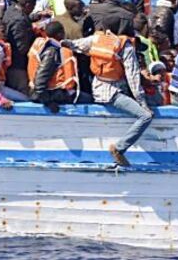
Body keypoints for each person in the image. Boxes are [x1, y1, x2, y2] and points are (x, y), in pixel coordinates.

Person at [64, 31, 153, 167]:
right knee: (145, 116)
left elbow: (75, 45)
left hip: (98, 88)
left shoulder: (97, 39)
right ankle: (119, 148)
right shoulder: (127, 48)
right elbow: (133, 78)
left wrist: (62, 43)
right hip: (112, 93)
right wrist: (142, 103)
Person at [28, 21, 87, 110]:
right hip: (51, 95)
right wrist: (49, 103)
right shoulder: (51, 52)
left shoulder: (42, 44)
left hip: (43, 92)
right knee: (89, 99)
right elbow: (40, 83)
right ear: (60, 34)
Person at [1, 0, 39, 95]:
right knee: (24, 93)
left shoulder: (10, 10)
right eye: (32, 7)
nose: (33, 9)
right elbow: (22, 48)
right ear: (27, 5)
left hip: (9, 63)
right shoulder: (20, 21)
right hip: (17, 65)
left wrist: (36, 16)